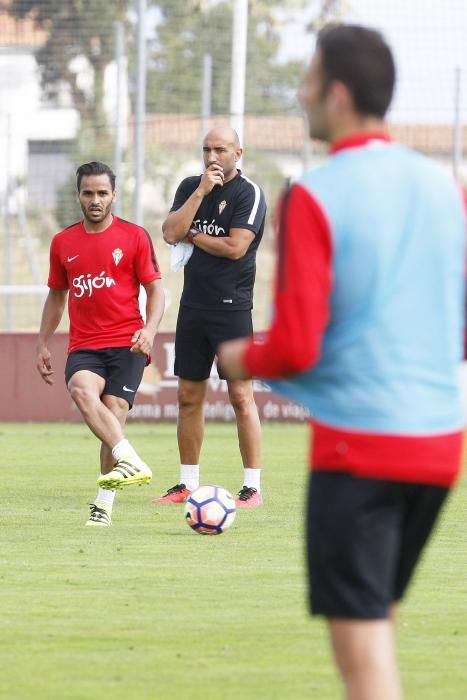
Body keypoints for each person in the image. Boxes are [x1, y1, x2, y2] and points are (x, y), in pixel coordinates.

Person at [218, 24, 465, 700]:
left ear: (337, 93)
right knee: (376, 622)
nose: (299, 97)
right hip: (439, 446)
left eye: (306, 82)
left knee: (363, 666)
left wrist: (239, 355)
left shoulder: (316, 194)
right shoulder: (448, 190)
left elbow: (295, 345)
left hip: (361, 449)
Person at [36, 161, 165, 527]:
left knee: (114, 413)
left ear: (114, 195)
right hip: (85, 345)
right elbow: (56, 297)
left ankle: (103, 503)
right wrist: (42, 343)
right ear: (78, 195)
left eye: (102, 193)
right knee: (80, 388)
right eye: (88, 193)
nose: (95, 200)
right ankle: (131, 457)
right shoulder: (63, 242)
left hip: (128, 343)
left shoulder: (135, 237)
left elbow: (156, 290)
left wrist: (151, 330)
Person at [152, 126, 267, 508]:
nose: (212, 156)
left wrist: (193, 236)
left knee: (240, 395)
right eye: (206, 149)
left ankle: (252, 487)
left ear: (238, 153)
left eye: (220, 149)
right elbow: (170, 232)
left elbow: (235, 247)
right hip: (194, 307)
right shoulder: (190, 187)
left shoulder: (248, 193)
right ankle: (187, 483)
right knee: (188, 396)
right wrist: (201, 192)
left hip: (232, 308)